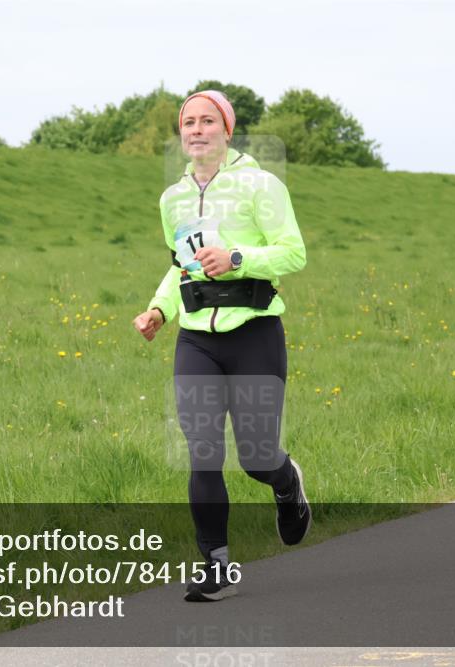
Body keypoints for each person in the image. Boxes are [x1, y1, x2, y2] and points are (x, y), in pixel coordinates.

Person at [131, 90, 312, 602]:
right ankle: (216, 566)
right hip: (197, 341)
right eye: (188, 122)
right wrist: (159, 310)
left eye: (207, 120)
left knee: (256, 456)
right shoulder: (173, 199)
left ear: (227, 130)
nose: (196, 129)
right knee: (203, 451)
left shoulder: (261, 185)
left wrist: (236, 259)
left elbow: (292, 253)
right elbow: (179, 266)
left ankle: (285, 482)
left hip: (254, 331)